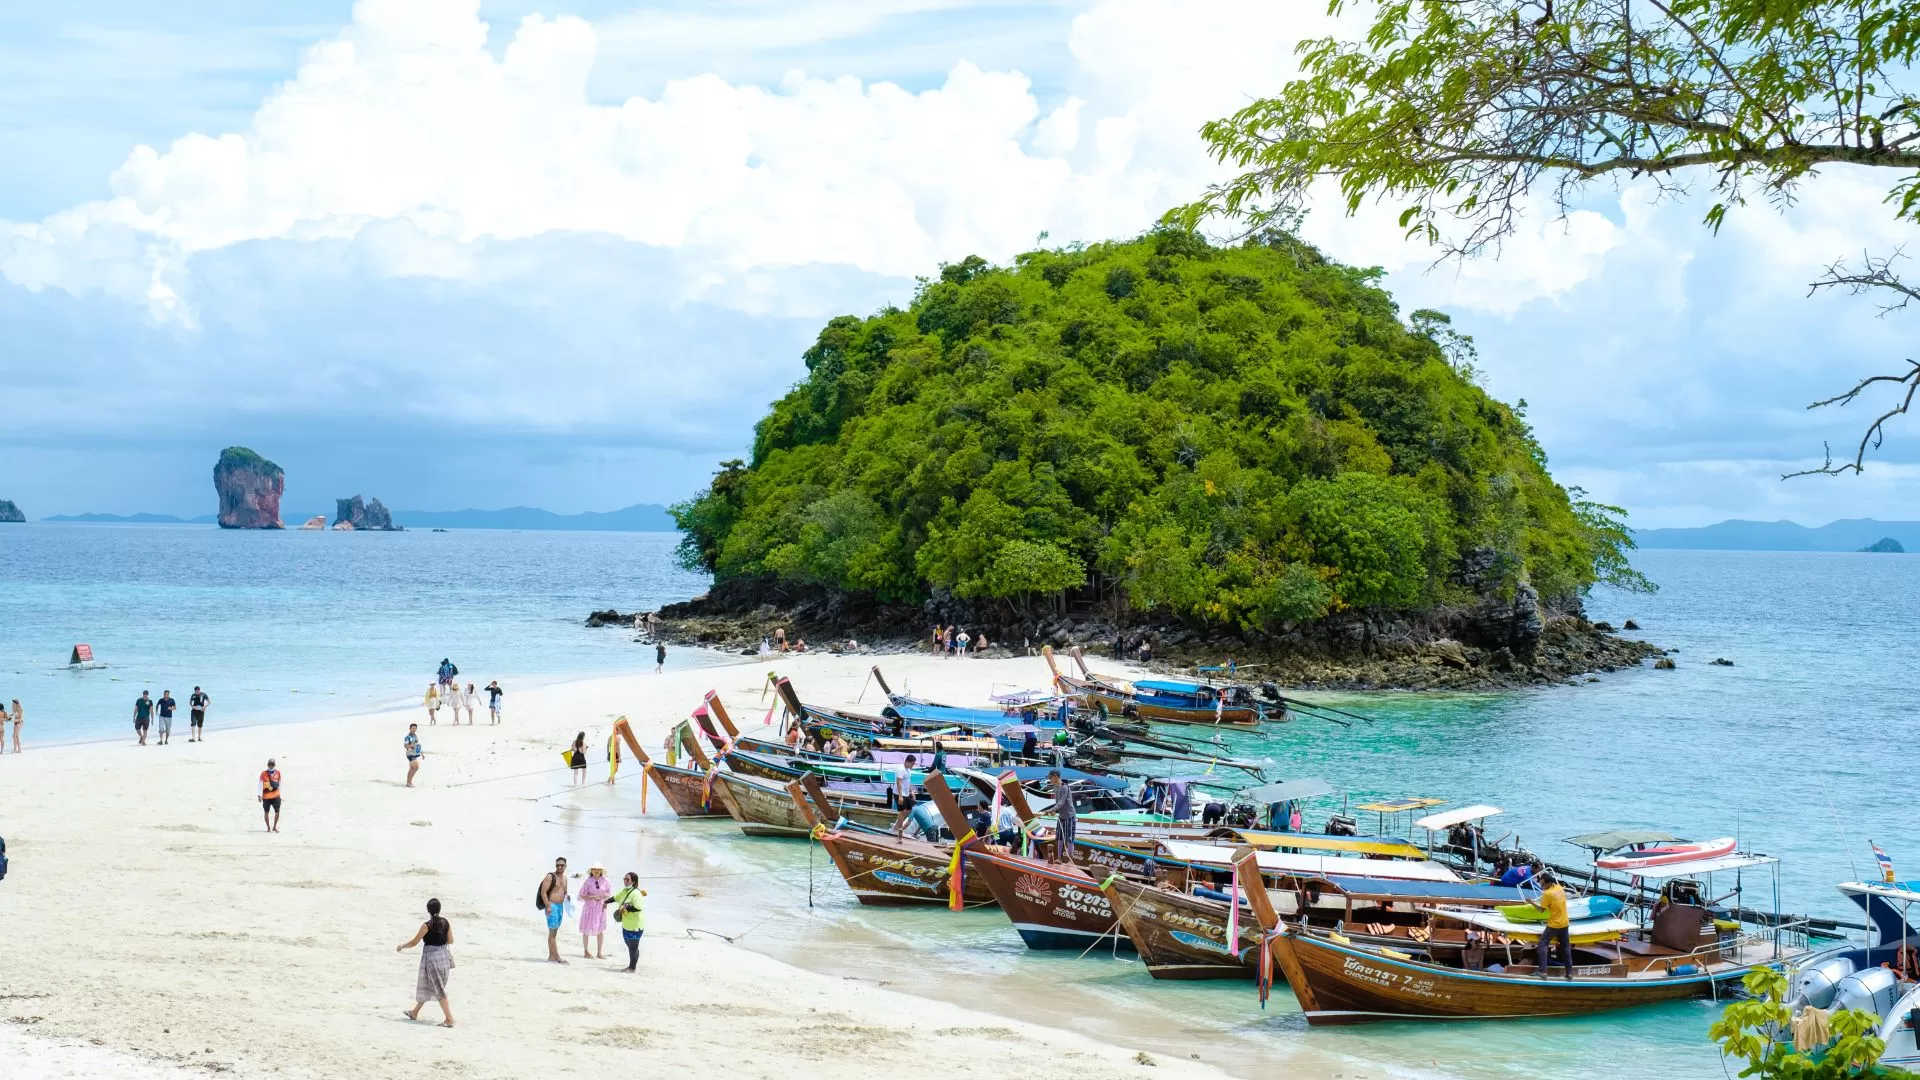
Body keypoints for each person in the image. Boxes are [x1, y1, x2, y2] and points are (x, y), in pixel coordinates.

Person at [397, 898, 456, 1027]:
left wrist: (402, 946)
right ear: (439, 909)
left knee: (439, 990)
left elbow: (414, 942)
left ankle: (449, 1019)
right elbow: (451, 940)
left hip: (432, 959)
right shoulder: (445, 922)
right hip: (444, 957)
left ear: (428, 910)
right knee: (429, 985)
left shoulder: (426, 925)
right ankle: (414, 1012)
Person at [1530, 873, 1572, 979]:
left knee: (1542, 944)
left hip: (1554, 924)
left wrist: (1531, 902)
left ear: (1548, 883)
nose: (1542, 887)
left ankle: (1543, 972)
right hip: (1565, 923)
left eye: (1543, 885)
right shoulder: (1559, 888)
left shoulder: (1548, 894)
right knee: (1566, 948)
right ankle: (1569, 973)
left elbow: (1541, 910)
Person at [611, 872, 647, 972]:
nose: (625, 881)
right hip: (626, 924)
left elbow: (638, 908)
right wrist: (605, 902)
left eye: (627, 879)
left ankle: (632, 968)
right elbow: (615, 898)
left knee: (633, 947)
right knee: (630, 945)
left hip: (635, 925)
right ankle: (632, 965)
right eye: (624, 879)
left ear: (633, 881)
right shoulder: (625, 890)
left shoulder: (636, 893)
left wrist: (626, 907)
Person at [538, 857, 570, 963]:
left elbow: (564, 892)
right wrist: (548, 906)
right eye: (557, 865)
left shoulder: (565, 879)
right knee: (552, 932)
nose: (559, 867)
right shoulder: (550, 876)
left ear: (565, 866)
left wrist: (568, 898)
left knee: (554, 932)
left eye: (562, 865)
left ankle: (551, 957)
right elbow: (543, 892)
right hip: (551, 906)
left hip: (560, 907)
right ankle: (557, 957)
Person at [578, 866, 612, 960]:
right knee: (586, 929)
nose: (596, 871)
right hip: (589, 908)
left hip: (600, 908)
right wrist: (593, 897)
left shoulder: (605, 881)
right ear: (591, 871)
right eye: (594, 869)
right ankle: (586, 951)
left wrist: (605, 901)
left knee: (600, 930)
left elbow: (609, 893)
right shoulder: (588, 881)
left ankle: (599, 952)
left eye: (598, 869)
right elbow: (582, 895)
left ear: (601, 871)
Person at [1048, 769, 1076, 863]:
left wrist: (1051, 810)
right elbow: (1057, 803)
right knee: (1059, 837)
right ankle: (1059, 858)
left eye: (1050, 777)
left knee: (1069, 838)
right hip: (1062, 816)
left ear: (1055, 776)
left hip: (1069, 815)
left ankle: (1070, 858)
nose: (1049, 779)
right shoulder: (1056, 787)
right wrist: (1055, 812)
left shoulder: (1064, 787)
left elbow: (1061, 802)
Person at [259, 759, 283, 832]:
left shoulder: (278, 773)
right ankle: (268, 827)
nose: (271, 766)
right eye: (269, 764)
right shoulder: (263, 773)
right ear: (267, 765)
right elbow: (260, 784)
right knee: (266, 812)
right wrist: (259, 795)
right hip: (266, 797)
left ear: (274, 765)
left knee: (277, 812)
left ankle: (274, 827)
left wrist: (280, 795)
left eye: (272, 764)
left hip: (276, 796)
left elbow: (280, 784)